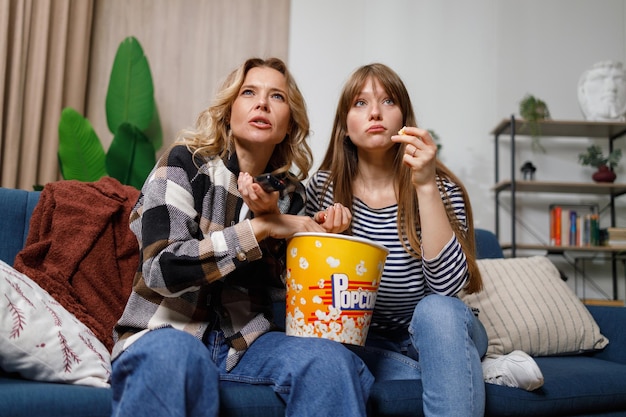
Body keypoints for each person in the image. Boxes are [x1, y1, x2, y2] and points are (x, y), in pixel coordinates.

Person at [110, 57, 373, 417]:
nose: (262, 103)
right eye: (249, 92)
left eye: (277, 97)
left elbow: (299, 304)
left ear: (288, 127)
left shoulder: (291, 196)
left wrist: (325, 244)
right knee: (179, 356)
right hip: (165, 336)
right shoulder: (184, 163)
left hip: (248, 348)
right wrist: (261, 228)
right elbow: (161, 269)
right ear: (228, 113)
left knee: (329, 362)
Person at [306, 63, 543, 417]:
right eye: (360, 103)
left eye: (387, 101)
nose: (374, 112)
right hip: (364, 343)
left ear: (404, 118)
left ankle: (454, 366)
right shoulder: (322, 189)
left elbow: (446, 289)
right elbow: (317, 308)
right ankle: (471, 375)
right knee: (331, 353)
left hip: (440, 335)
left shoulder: (441, 187)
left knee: (435, 310)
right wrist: (332, 247)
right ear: (344, 125)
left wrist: (426, 185)